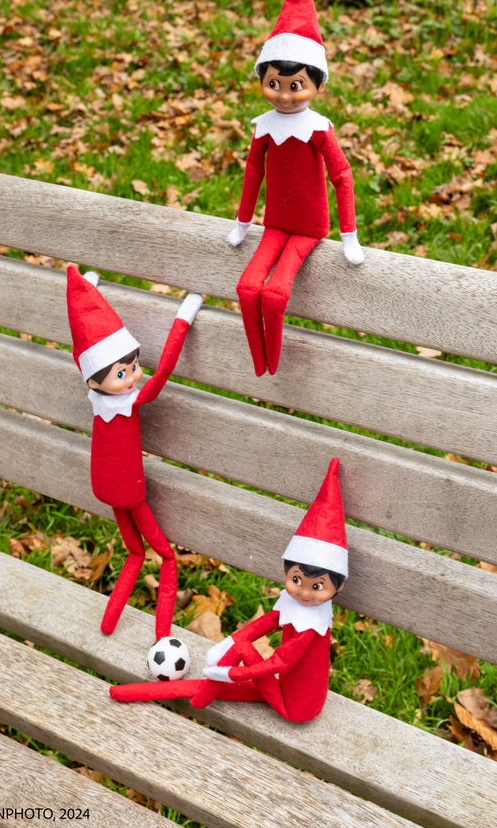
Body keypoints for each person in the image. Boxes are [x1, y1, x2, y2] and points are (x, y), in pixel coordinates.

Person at [110, 458, 348, 723]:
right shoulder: (298, 607)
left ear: (339, 586)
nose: (304, 592)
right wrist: (227, 645)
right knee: (230, 658)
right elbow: (266, 624)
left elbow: (280, 663)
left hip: (295, 708)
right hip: (282, 687)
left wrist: (229, 673)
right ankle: (177, 692)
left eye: (317, 586)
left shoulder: (314, 625)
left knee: (240, 653)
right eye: (296, 579)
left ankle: (203, 698)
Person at [227, 0, 364, 377]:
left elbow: (342, 176)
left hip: (308, 228)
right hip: (275, 223)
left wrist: (349, 235)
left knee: (275, 293)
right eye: (274, 84)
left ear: (317, 85)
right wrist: (243, 222)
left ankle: (274, 365)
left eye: (296, 86)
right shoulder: (264, 127)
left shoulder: (318, 129)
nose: (284, 96)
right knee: (247, 286)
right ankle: (260, 364)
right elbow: (254, 172)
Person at [66, 264, 202, 638]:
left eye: (134, 367)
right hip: (129, 490)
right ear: (95, 380)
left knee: (135, 552)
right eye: (121, 373)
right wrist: (184, 317)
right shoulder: (130, 402)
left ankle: (109, 623)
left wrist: (89, 288)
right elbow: (165, 371)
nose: (132, 377)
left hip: (103, 485)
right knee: (166, 556)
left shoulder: (96, 396)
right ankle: (162, 635)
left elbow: (81, 352)